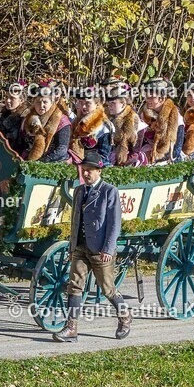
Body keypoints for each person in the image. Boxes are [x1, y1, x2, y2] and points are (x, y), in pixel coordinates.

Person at [52, 149, 131, 342]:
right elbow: (75, 220)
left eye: (89, 170)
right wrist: (72, 247)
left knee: (107, 289)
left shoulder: (109, 191)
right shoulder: (79, 191)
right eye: (83, 169)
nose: (86, 173)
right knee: (74, 286)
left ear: (99, 171)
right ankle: (71, 328)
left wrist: (108, 249)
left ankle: (125, 317)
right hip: (80, 246)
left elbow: (114, 224)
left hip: (100, 250)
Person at [20, 79, 71, 163]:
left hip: (55, 162)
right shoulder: (28, 118)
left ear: (52, 102)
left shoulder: (62, 121)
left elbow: (61, 150)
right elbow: (21, 143)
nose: (41, 106)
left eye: (45, 102)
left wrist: (41, 162)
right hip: (29, 158)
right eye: (38, 102)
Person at [139, 77, 183, 163]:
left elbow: (177, 150)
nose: (148, 100)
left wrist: (157, 158)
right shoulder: (144, 115)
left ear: (162, 98)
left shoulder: (176, 117)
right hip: (148, 151)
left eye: (152, 97)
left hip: (168, 155)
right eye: (147, 97)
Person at [102, 78, 143, 166]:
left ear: (123, 104)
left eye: (113, 103)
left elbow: (134, 152)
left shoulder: (135, 121)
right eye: (109, 103)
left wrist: (121, 163)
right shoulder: (106, 119)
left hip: (127, 159)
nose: (109, 106)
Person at [69, 86, 113, 165]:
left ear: (97, 104)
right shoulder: (76, 122)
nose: (84, 107)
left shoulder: (104, 126)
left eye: (88, 103)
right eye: (81, 103)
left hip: (94, 164)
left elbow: (103, 156)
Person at [0, 81, 28, 154]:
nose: (8, 101)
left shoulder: (25, 119)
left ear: (21, 100)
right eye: (6, 97)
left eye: (12, 98)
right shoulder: (0, 117)